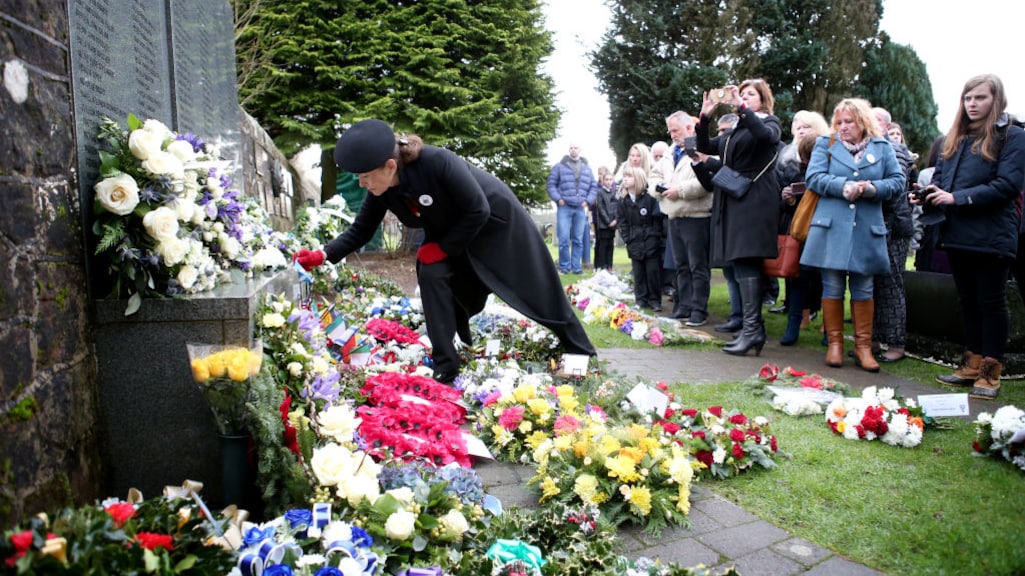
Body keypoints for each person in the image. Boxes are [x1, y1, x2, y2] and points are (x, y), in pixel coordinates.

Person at [294, 119, 596, 383]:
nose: (361, 184)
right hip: (453, 233)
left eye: (365, 176)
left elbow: (479, 209)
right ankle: (446, 364)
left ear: (389, 166)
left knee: (536, 288)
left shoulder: (437, 161)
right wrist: (323, 255)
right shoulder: (380, 189)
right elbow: (361, 230)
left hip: (497, 226)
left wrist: (443, 248)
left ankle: (580, 350)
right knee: (431, 272)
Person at [917, 74, 1025, 399]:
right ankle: (972, 363)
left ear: (996, 100)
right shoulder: (956, 137)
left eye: (980, 98)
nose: (972, 104)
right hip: (957, 233)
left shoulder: (1013, 136)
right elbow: (941, 177)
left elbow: (1007, 186)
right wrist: (927, 193)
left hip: (992, 235)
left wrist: (957, 198)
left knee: (991, 303)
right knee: (967, 301)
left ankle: (991, 372)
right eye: (968, 98)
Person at [801, 98, 904, 371]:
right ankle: (835, 344)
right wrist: (843, 186)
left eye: (850, 121)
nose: (843, 127)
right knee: (832, 285)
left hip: (866, 228)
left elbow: (897, 182)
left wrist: (871, 189)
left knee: (864, 288)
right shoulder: (827, 143)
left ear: (863, 122)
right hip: (831, 226)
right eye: (840, 122)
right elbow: (814, 178)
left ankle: (862, 347)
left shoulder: (883, 147)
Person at [696, 79, 782, 356]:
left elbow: (766, 139)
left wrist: (741, 107)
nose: (742, 97)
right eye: (741, 93)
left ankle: (753, 330)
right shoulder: (735, 131)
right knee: (740, 261)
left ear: (762, 99)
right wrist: (705, 115)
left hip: (755, 201)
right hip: (735, 200)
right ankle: (751, 330)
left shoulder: (770, 122)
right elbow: (705, 146)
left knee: (747, 259)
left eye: (749, 94)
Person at [649, 111, 715, 326]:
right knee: (680, 266)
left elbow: (707, 182)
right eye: (670, 131)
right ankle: (683, 306)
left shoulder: (703, 149)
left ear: (689, 129)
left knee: (698, 266)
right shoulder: (670, 152)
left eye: (675, 130)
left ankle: (698, 310)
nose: (672, 135)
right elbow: (654, 175)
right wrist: (658, 188)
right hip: (674, 215)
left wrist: (681, 190)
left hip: (696, 215)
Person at [773, 110, 830, 346]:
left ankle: (830, 331)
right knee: (798, 279)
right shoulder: (791, 169)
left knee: (830, 281)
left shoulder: (830, 171)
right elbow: (783, 205)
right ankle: (793, 326)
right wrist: (788, 198)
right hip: (800, 232)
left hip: (826, 230)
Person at [870, 108, 917, 363]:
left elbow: (894, 194)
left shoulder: (895, 150)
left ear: (887, 127)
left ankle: (896, 343)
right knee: (873, 285)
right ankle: (873, 338)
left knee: (891, 286)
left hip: (894, 229)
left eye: (875, 120)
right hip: (877, 226)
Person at [711, 113, 743, 334]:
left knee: (742, 272)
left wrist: (711, 163)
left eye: (724, 131)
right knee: (730, 272)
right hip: (723, 212)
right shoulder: (722, 155)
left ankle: (747, 319)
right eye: (718, 132)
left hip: (741, 217)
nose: (719, 136)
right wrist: (700, 163)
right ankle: (736, 316)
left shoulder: (741, 153)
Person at [617, 164, 664, 311]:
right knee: (638, 273)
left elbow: (657, 220)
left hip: (650, 240)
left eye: (629, 176)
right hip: (634, 241)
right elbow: (622, 222)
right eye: (624, 176)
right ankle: (641, 299)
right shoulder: (623, 201)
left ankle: (654, 300)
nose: (625, 179)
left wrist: (654, 237)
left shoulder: (649, 199)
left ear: (638, 179)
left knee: (652, 272)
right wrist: (627, 238)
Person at [547, 142, 598, 274]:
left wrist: (588, 201)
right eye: (571, 147)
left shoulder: (587, 168)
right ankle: (564, 268)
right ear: (568, 150)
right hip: (564, 208)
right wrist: (558, 199)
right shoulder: (559, 166)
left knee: (578, 240)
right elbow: (551, 184)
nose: (573, 150)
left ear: (580, 150)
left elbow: (593, 186)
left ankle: (576, 268)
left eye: (575, 147)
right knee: (563, 239)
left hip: (580, 208)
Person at [593, 171, 619, 270]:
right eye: (606, 180)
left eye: (610, 180)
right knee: (602, 246)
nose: (608, 182)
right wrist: (608, 222)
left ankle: (609, 266)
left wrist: (616, 220)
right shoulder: (600, 192)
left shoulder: (613, 192)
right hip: (604, 225)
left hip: (613, 224)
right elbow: (601, 209)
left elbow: (617, 207)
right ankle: (601, 266)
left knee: (610, 246)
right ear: (602, 181)